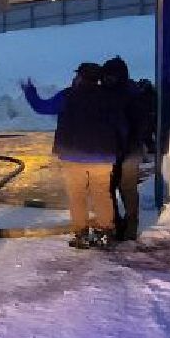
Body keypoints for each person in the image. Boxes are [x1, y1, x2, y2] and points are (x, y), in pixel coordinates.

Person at [21, 61, 128, 249]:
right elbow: (121, 126)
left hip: (74, 156)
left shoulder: (68, 96)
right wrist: (117, 146)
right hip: (103, 157)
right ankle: (105, 232)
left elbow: (42, 107)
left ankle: (81, 233)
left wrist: (30, 92)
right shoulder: (109, 98)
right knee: (102, 194)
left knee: (77, 195)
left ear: (80, 77)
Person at [101, 57, 150, 242]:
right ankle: (120, 224)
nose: (106, 79)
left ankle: (128, 228)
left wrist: (128, 143)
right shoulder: (128, 91)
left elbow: (140, 123)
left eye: (110, 75)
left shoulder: (128, 94)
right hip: (114, 149)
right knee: (110, 188)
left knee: (125, 187)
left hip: (127, 149)